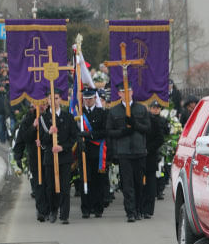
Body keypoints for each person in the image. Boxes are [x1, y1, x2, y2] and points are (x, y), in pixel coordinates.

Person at [106, 84, 150, 222]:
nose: (126, 93)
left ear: (132, 91)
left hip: (139, 151)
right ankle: (130, 212)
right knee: (127, 184)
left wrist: (135, 125)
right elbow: (109, 131)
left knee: (138, 183)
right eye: (123, 91)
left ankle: (138, 209)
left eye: (128, 90)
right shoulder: (114, 111)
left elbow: (147, 128)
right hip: (124, 152)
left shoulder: (141, 109)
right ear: (119, 94)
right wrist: (122, 131)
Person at [39, 89, 77, 224]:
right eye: (51, 98)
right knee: (51, 187)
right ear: (47, 101)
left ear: (60, 100)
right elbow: (42, 142)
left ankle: (64, 214)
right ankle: (53, 210)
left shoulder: (68, 117)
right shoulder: (43, 118)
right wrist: (49, 133)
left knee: (65, 186)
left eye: (56, 98)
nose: (53, 101)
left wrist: (63, 147)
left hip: (64, 157)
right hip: (50, 157)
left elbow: (74, 137)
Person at [14, 101, 50, 222]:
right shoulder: (28, 118)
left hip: (50, 156)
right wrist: (33, 127)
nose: (42, 106)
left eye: (44, 103)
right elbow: (23, 137)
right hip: (35, 157)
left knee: (48, 183)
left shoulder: (52, 116)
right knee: (38, 184)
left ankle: (50, 208)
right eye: (39, 103)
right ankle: (41, 210)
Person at [78, 89, 109, 219]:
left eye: (90, 99)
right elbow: (74, 131)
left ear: (95, 99)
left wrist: (89, 135)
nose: (88, 101)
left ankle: (98, 208)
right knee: (85, 179)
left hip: (98, 152)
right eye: (86, 99)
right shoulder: (79, 114)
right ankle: (86, 208)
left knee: (98, 181)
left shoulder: (102, 113)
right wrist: (80, 140)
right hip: (84, 152)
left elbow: (105, 131)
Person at [141, 100, 169, 219]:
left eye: (157, 108)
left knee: (151, 182)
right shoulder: (136, 120)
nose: (155, 109)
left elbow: (160, 138)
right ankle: (139, 207)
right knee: (138, 183)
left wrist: (148, 149)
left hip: (151, 155)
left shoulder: (156, 121)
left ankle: (148, 209)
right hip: (137, 155)